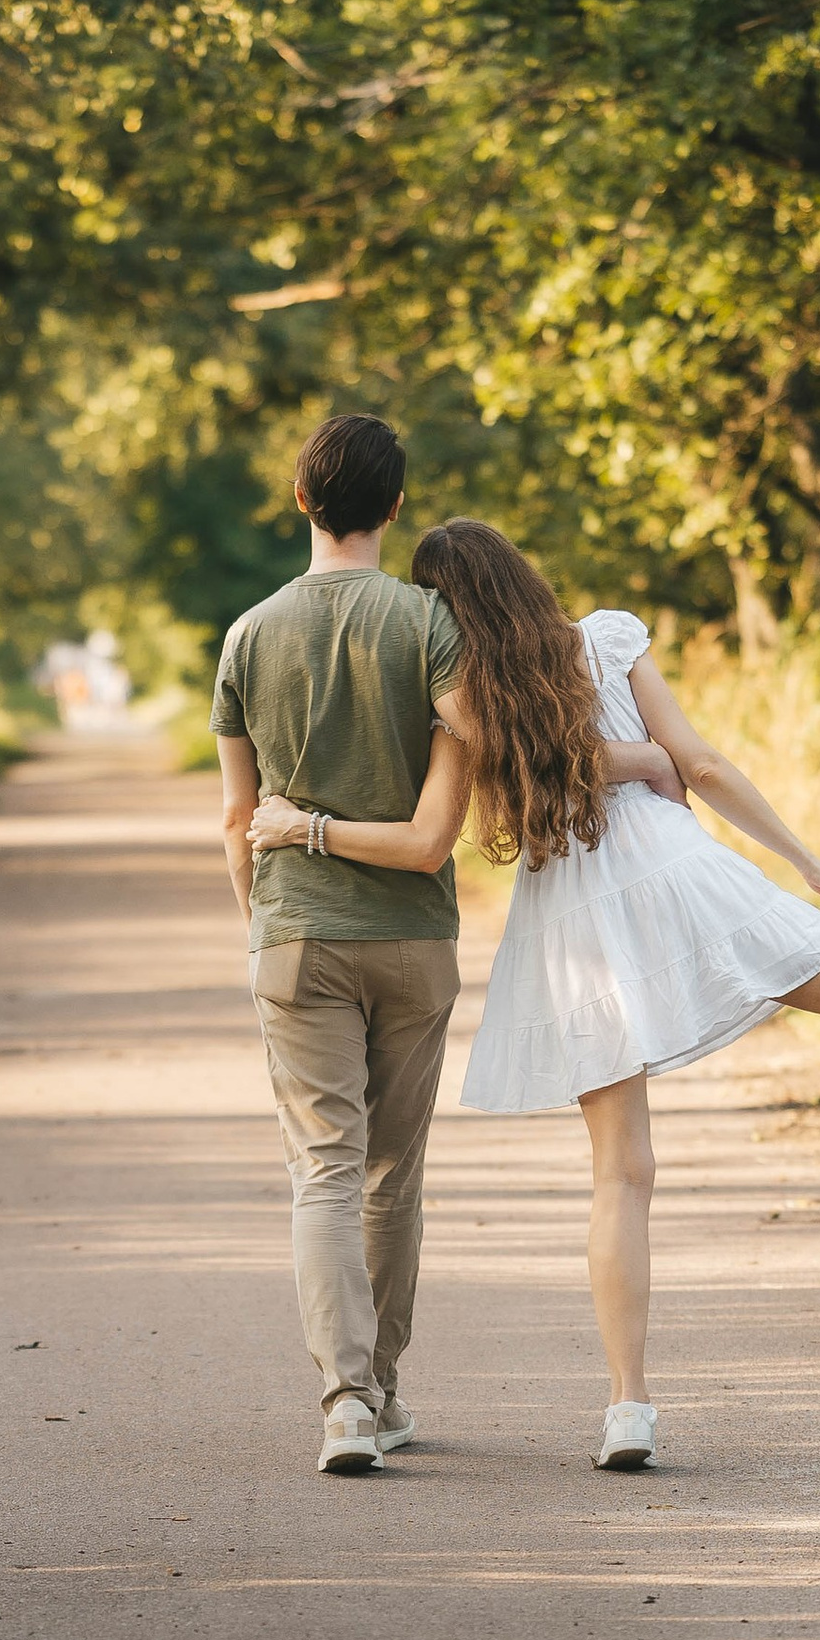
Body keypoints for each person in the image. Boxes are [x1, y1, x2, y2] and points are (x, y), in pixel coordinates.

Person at [247, 519, 820, 1472]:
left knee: (622, 1173)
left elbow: (453, 819)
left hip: (572, 920)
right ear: (524, 580)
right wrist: (805, 859)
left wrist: (306, 826)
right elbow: (697, 764)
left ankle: (630, 1409)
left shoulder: (462, 702)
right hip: (674, 877)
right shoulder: (601, 643)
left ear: (445, 609)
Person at [213, 422, 684, 1474]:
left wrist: (264, 913)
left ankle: (344, 1404)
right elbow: (476, 778)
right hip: (411, 938)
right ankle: (381, 1394)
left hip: (294, 932)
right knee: (389, 1172)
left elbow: (238, 815)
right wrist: (650, 757)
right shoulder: (430, 623)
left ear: (302, 497)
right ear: (392, 508)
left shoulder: (247, 634)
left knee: (323, 1169)